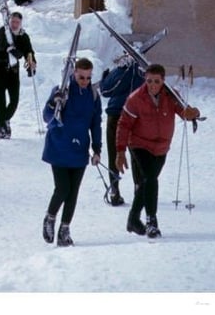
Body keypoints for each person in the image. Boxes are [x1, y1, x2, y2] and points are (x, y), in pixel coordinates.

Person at [115, 63, 200, 239]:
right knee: (150, 178)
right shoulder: (135, 98)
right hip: (139, 144)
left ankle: (133, 219)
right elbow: (124, 125)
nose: (152, 85)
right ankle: (151, 221)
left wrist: (194, 113)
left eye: (156, 81)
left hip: (161, 147)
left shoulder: (170, 95)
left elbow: (183, 111)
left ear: (163, 81)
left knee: (148, 182)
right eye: (149, 81)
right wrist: (120, 152)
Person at [41, 57, 102, 247]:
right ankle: (50, 217)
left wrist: (97, 149)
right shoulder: (62, 91)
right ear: (74, 73)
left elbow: (96, 124)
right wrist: (54, 104)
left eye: (88, 77)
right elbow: (47, 117)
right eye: (81, 77)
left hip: (79, 149)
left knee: (73, 192)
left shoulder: (93, 95)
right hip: (59, 146)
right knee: (63, 188)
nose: (85, 81)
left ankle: (64, 229)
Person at [99, 57, 146, 206]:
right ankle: (139, 189)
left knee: (114, 154)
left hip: (115, 114)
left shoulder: (120, 71)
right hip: (133, 116)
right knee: (136, 154)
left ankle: (114, 191)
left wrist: (107, 76)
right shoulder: (143, 71)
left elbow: (105, 90)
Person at [0, 10, 37, 138]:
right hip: (0, 69)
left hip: (13, 71)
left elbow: (29, 51)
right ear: (8, 21)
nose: (14, 25)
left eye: (17, 22)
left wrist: (32, 63)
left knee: (14, 100)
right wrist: (12, 50)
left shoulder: (23, 36)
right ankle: (1, 128)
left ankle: (5, 120)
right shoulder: (2, 32)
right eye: (12, 22)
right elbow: (1, 46)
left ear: (21, 23)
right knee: (0, 100)